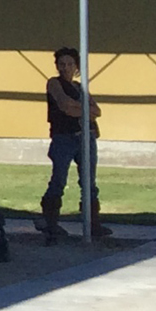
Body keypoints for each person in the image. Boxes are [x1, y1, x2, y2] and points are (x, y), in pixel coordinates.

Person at [41, 45, 100, 241]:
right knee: (59, 179)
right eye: (62, 64)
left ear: (76, 66)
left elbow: (97, 111)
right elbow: (65, 105)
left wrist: (81, 108)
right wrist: (85, 109)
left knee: (89, 181)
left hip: (85, 137)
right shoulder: (54, 83)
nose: (65, 68)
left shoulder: (79, 87)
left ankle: (93, 223)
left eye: (69, 64)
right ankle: (50, 221)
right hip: (63, 137)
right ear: (57, 66)